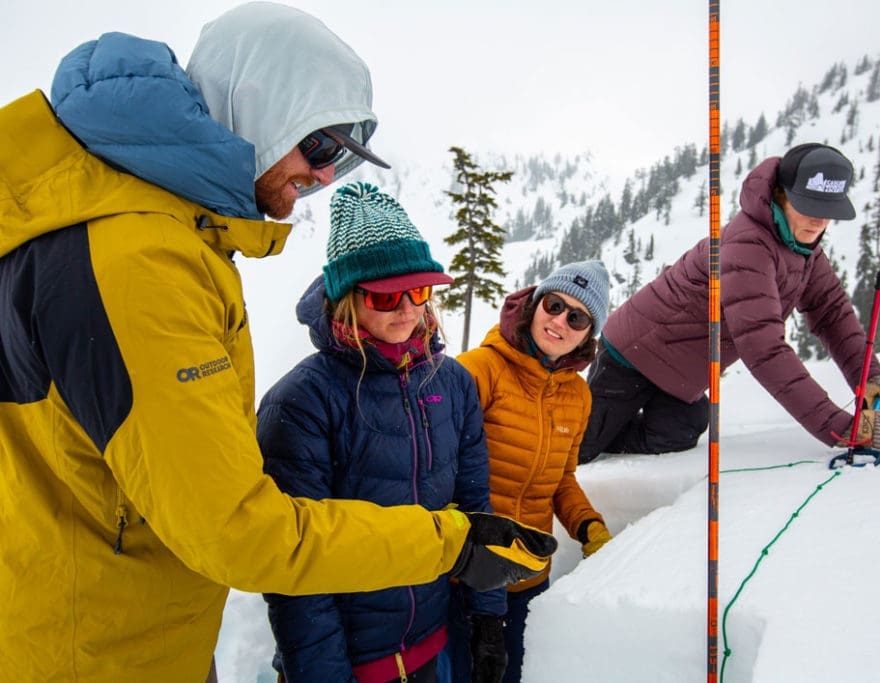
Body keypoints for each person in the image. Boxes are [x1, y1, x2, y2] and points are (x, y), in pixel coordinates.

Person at [0, 4, 553, 681]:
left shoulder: (153, 229)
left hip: (126, 628)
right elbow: (241, 529)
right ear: (259, 106)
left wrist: (483, 610)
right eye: (319, 144)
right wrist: (454, 544)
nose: (325, 175)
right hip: (95, 653)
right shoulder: (137, 256)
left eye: (341, 159)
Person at [257, 182, 506, 683]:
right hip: (345, 662)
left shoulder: (451, 383)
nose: (409, 309)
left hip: (428, 647)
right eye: (388, 294)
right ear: (349, 295)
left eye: (420, 290)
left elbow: (475, 503)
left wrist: (487, 616)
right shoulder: (304, 400)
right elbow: (295, 562)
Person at [578, 142, 880, 464]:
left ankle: (613, 424)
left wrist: (872, 376)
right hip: (634, 354)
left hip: (681, 375)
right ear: (781, 195)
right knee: (580, 446)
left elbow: (832, 314)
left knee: (680, 432)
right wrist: (841, 427)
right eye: (809, 207)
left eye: (827, 211)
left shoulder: (803, 250)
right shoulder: (748, 245)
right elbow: (762, 348)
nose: (819, 221)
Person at [451, 261, 616, 682]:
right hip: (462, 575)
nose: (559, 320)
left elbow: (562, 479)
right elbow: (435, 467)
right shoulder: (479, 370)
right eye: (554, 304)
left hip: (527, 576)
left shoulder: (578, 396)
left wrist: (588, 526)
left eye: (576, 317)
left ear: (587, 335)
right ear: (534, 303)